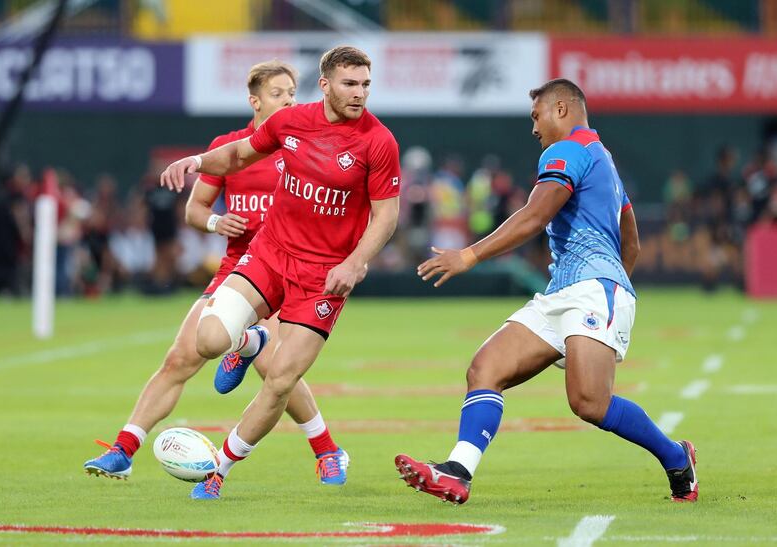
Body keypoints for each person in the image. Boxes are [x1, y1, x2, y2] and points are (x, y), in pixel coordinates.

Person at [395, 78, 698, 505]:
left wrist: (470, 256)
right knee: (485, 369)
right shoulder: (604, 162)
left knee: (589, 402)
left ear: (561, 109)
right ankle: (458, 471)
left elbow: (535, 215)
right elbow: (632, 242)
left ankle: (677, 457)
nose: (534, 128)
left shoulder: (568, 150)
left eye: (536, 116)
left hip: (591, 290)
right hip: (568, 291)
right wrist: (614, 281)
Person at [84, 61, 345, 487]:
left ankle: (328, 451)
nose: (289, 100)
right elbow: (195, 210)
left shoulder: (306, 146)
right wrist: (215, 224)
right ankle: (123, 449)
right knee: (181, 357)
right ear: (255, 101)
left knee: (275, 370)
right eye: (279, 93)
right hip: (238, 269)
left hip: (287, 270)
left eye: (292, 92)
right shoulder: (230, 146)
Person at [160, 46, 401, 499]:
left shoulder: (378, 141)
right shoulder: (291, 121)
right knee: (209, 341)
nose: (360, 93)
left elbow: (386, 216)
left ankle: (219, 473)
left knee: (281, 381)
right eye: (350, 84)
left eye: (366, 84)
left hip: (324, 277)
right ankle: (252, 340)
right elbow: (237, 155)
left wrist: (354, 262)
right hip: (270, 253)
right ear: (326, 84)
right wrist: (196, 161)